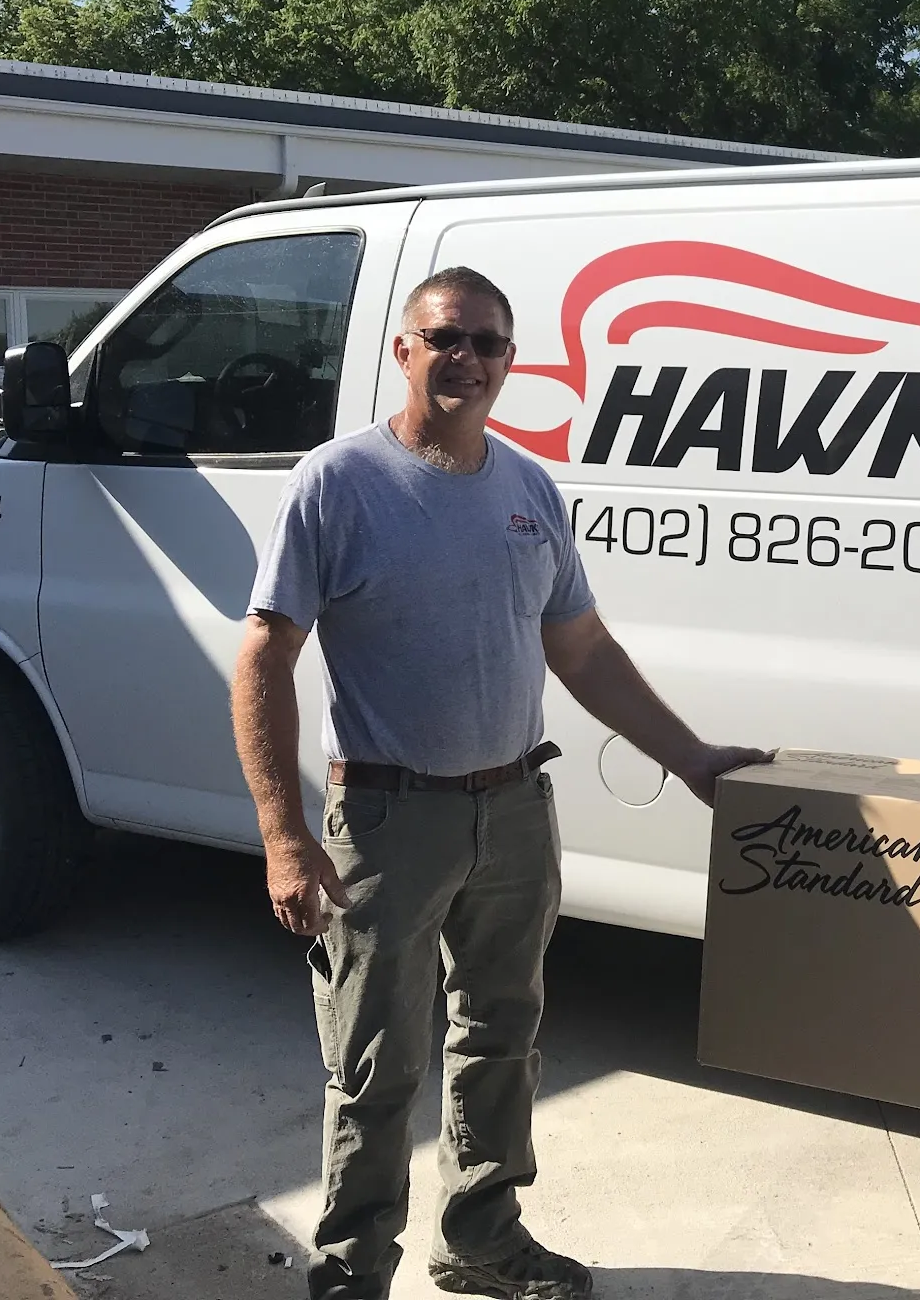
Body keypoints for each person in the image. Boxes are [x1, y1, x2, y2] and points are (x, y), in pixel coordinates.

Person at [233, 265, 766, 1300]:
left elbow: (583, 650)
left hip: (516, 809)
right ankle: (352, 1271)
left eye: (486, 343)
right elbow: (264, 655)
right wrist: (283, 835)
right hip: (387, 818)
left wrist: (692, 758)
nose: (465, 359)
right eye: (445, 338)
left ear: (509, 360)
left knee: (502, 1038)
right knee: (377, 1063)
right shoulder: (338, 484)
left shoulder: (527, 489)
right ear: (404, 350)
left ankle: (480, 1238)